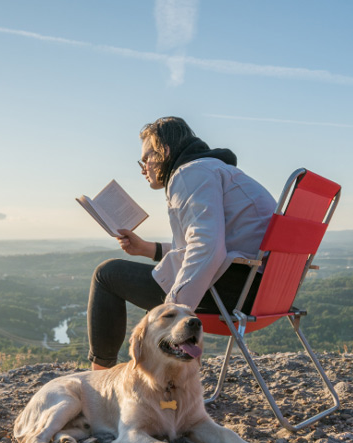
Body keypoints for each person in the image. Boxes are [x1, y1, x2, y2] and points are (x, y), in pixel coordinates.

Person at [88, 116, 277, 370]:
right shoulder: (215, 170)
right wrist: (148, 248)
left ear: (164, 152)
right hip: (263, 289)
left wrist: (172, 311)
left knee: (107, 275)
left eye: (146, 159)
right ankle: (159, 384)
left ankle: (99, 382)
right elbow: (204, 243)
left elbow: (207, 248)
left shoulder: (190, 173)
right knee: (157, 287)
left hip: (237, 290)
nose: (143, 167)